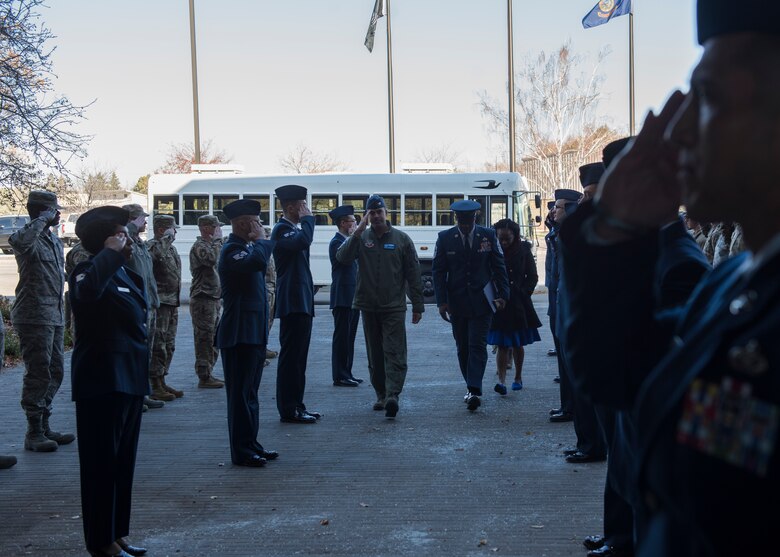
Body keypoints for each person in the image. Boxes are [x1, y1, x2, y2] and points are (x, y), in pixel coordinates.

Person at [558, 1, 779, 552]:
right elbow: (620, 375)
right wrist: (614, 230)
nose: (676, 131)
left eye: (707, 98)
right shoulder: (731, 284)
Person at [69, 206, 149, 557]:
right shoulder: (88, 271)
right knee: (100, 466)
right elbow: (86, 294)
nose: (129, 238)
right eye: (121, 234)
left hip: (129, 379)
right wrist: (109, 253)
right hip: (101, 382)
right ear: (108, 239)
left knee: (121, 464)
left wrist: (115, 256)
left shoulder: (125, 274)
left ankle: (117, 533)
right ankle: (100, 542)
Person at [336, 194, 424, 418]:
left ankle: (393, 394)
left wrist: (418, 305)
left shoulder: (402, 239)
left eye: (379, 212)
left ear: (386, 213)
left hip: (393, 306)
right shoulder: (362, 237)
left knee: (394, 351)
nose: (376, 216)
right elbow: (342, 258)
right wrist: (357, 231)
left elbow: (414, 274)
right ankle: (381, 394)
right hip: (368, 306)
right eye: (371, 213)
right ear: (366, 215)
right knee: (375, 354)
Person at [9, 190, 73, 452]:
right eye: (53, 209)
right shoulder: (29, 237)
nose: (58, 213)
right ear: (41, 211)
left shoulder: (53, 241)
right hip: (33, 316)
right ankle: (33, 431)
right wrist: (39, 221)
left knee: (55, 371)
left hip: (54, 315)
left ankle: (45, 424)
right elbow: (19, 243)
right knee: (38, 373)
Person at [215, 199, 278, 467]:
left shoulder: (248, 248)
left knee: (250, 394)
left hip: (252, 333)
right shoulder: (232, 250)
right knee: (240, 396)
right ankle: (241, 452)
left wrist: (260, 241)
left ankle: (252, 444)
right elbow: (256, 263)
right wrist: (263, 239)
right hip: (239, 334)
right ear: (242, 224)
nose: (261, 226)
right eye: (256, 222)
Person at [432, 200, 509, 411]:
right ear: (456, 219)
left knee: (477, 344)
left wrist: (503, 295)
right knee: (463, 347)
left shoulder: (488, 235)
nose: (465, 225)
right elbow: (438, 271)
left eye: (469, 221)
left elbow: (499, 266)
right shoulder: (445, 238)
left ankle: (474, 389)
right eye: (462, 221)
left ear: (476, 217)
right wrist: (441, 302)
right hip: (457, 302)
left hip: (483, 302)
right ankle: (470, 385)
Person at [271, 185, 320, 424]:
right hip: (292, 301)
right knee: (291, 358)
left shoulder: (292, 229)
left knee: (299, 358)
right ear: (291, 207)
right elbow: (304, 241)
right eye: (302, 205)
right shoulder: (282, 230)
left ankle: (297, 404)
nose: (306, 209)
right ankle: (289, 408)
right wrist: (309, 220)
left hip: (300, 300)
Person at [486, 218, 540, 395]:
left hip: (518, 303)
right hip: (499, 302)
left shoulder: (524, 250)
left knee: (517, 343)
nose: (503, 242)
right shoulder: (492, 248)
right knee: (501, 344)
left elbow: (532, 276)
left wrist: (524, 293)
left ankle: (518, 377)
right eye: (500, 238)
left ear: (515, 236)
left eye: (507, 239)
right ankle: (501, 380)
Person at [121, 204, 165, 412]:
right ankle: (134, 395)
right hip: (136, 306)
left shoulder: (140, 243)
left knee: (146, 352)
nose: (145, 222)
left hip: (150, 304)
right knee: (136, 353)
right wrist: (129, 224)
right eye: (141, 219)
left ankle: (143, 393)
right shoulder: (126, 240)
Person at [548, 189, 581, 423]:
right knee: (562, 359)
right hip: (556, 300)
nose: (552, 211)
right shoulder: (557, 233)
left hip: (567, 303)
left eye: (557, 207)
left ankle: (571, 408)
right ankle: (567, 405)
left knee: (571, 362)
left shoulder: (573, 235)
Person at [147, 214, 182, 401]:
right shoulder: (153, 246)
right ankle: (154, 383)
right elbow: (155, 257)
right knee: (158, 344)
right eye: (172, 229)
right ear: (162, 230)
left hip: (172, 302)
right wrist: (166, 238)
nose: (175, 232)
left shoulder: (172, 249)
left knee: (169, 344)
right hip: (160, 303)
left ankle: (162, 379)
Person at [328, 205, 363, 387]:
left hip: (353, 296)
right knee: (341, 338)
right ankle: (340, 375)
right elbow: (346, 258)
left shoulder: (348, 240)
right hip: (342, 297)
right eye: (353, 221)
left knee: (350, 337)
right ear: (343, 223)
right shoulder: (336, 242)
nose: (355, 224)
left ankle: (347, 372)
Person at [189, 214, 225, 388]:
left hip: (213, 297)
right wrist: (218, 242)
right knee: (204, 338)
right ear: (205, 228)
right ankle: (204, 375)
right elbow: (211, 259)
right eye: (216, 227)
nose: (219, 230)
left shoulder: (213, 245)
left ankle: (209, 372)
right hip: (203, 298)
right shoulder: (200, 246)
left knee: (213, 337)